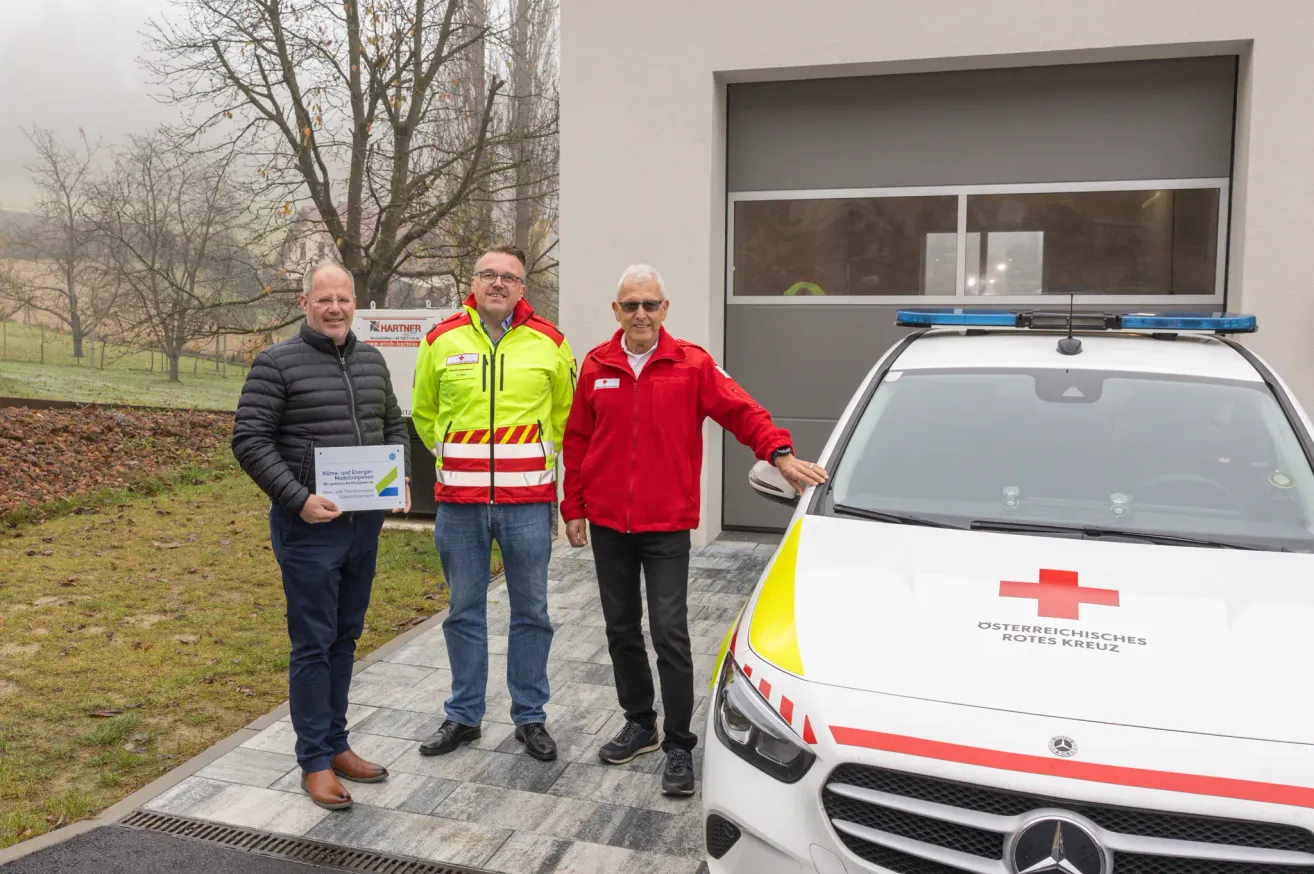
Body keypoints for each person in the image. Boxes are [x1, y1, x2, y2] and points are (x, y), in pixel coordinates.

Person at [561, 263, 827, 796]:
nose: (641, 314)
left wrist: (777, 452)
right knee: (619, 630)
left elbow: (742, 411)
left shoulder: (691, 364)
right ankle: (641, 722)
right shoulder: (596, 365)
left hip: (666, 526)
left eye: (650, 304)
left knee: (670, 634)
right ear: (616, 311)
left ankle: (679, 744)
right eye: (630, 305)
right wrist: (573, 506)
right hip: (610, 523)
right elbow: (578, 439)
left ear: (665, 309)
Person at [231, 261, 411, 810]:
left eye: (344, 300)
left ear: (355, 304)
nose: (335, 308)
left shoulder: (372, 359)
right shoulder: (276, 363)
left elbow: (394, 422)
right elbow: (249, 439)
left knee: (345, 636)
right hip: (309, 530)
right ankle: (313, 759)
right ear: (305, 302)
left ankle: (336, 743)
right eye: (324, 299)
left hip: (362, 528)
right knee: (313, 643)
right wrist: (298, 499)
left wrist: (398, 474)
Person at [410, 244, 576, 762]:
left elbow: (566, 418)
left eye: (509, 277)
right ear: (474, 282)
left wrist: (531, 464)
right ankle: (463, 715)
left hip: (527, 504)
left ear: (523, 287)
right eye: (489, 275)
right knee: (463, 611)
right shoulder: (440, 339)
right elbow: (424, 414)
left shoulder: (550, 343)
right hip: (459, 505)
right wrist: (460, 461)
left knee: (533, 613)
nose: (498, 284)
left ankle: (530, 717)